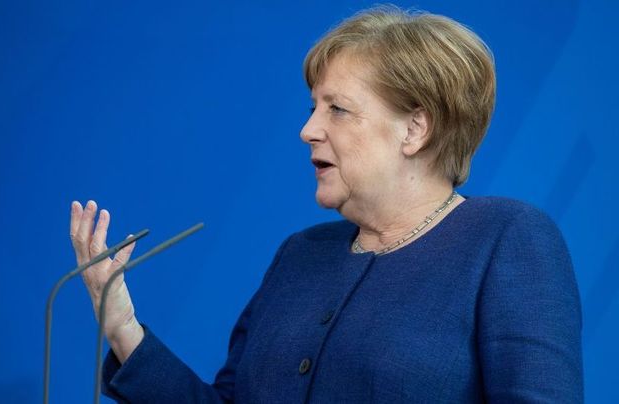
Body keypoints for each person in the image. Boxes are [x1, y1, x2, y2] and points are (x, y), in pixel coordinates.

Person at [70, 6, 583, 403]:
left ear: (415, 129)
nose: (308, 130)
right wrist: (122, 329)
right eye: (313, 107)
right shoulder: (300, 255)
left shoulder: (507, 238)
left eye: (337, 110)